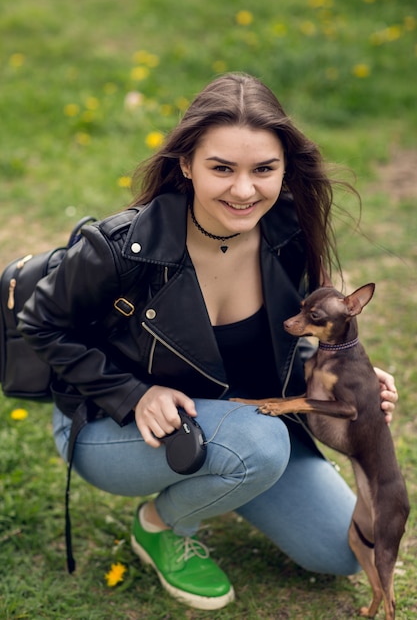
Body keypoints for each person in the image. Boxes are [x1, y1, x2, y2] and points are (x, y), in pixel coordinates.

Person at [18, 72, 397, 611]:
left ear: (284, 169)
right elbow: (41, 323)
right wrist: (132, 394)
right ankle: (159, 523)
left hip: (236, 416)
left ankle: (227, 472)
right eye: (222, 168)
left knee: (341, 549)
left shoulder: (289, 231)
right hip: (116, 424)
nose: (244, 191)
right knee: (260, 447)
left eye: (264, 170)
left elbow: (290, 340)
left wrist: (345, 374)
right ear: (186, 165)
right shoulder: (120, 247)